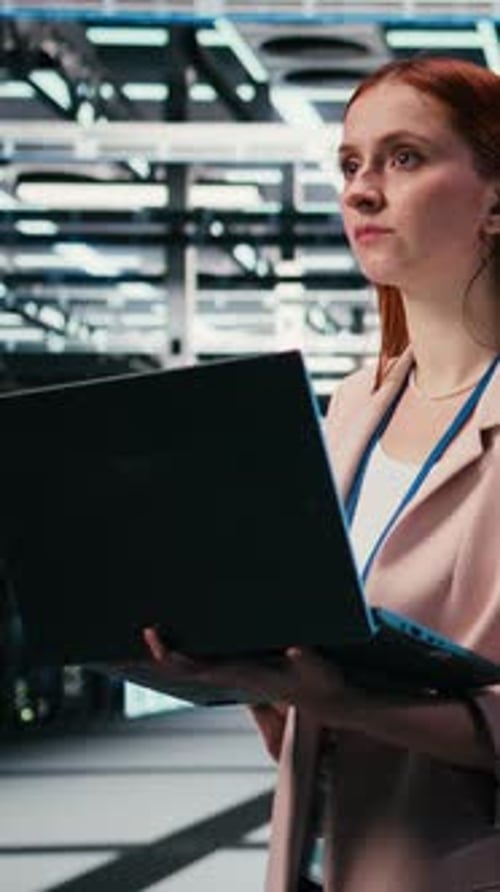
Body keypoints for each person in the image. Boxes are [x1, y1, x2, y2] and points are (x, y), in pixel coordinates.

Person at [144, 55, 500, 891]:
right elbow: (329, 688)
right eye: (350, 163)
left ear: (495, 199)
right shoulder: (350, 410)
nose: (361, 190)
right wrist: (267, 687)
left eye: (404, 158)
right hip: (324, 859)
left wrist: (339, 697)